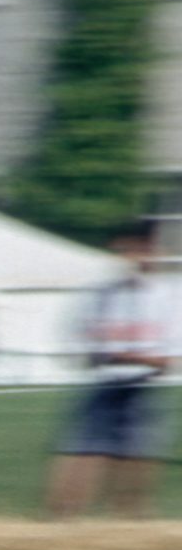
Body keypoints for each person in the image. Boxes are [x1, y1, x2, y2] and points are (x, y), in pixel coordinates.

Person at [47, 218, 171, 520]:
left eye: (144, 248)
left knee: (138, 464)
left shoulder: (166, 295)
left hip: (141, 388)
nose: (137, 256)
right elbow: (78, 348)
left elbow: (167, 358)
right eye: (130, 248)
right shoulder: (97, 295)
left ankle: (128, 522)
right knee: (82, 456)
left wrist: (125, 356)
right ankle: (62, 521)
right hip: (102, 387)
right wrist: (126, 356)